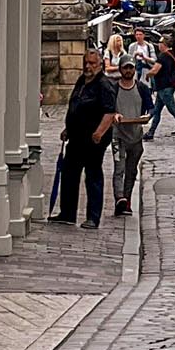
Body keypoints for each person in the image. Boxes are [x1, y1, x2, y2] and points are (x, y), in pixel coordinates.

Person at [51, 48, 118, 227]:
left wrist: (99, 132)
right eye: (86, 63)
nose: (88, 67)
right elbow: (75, 106)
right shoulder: (82, 81)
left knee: (93, 175)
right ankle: (67, 213)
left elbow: (110, 111)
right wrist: (68, 128)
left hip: (93, 139)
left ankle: (93, 217)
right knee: (69, 174)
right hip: (76, 137)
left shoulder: (104, 84)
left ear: (100, 64)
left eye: (92, 63)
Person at [110, 57, 152, 213]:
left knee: (131, 170)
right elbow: (107, 109)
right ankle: (119, 198)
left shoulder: (141, 88)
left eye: (131, 68)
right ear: (120, 69)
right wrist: (114, 115)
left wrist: (146, 117)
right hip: (118, 134)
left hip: (136, 135)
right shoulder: (114, 89)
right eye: (125, 68)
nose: (128, 71)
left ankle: (126, 200)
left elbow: (151, 108)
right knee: (119, 167)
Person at [145, 35, 175, 141]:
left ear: (164, 44)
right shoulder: (171, 55)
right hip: (166, 87)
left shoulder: (162, 56)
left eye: (160, 43)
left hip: (164, 87)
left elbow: (155, 70)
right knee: (157, 110)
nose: (158, 45)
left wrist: (148, 75)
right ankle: (151, 132)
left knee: (173, 109)